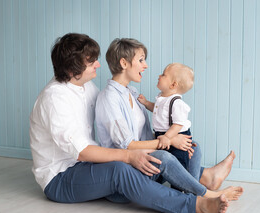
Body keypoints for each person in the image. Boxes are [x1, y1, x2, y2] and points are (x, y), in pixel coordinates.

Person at [30, 33, 230, 213]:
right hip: (61, 178)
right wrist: (129, 155)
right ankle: (197, 204)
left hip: (87, 165)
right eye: (91, 62)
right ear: (72, 69)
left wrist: (166, 139)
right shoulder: (54, 98)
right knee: (120, 170)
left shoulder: (87, 87)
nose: (98, 65)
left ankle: (203, 177)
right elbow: (82, 152)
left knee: (173, 153)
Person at [95, 38, 243, 200]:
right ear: (124, 63)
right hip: (131, 170)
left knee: (192, 146)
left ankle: (197, 185)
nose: (146, 65)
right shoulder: (109, 98)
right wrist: (170, 141)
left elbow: (147, 131)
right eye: (141, 60)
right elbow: (128, 145)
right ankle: (206, 193)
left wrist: (176, 141)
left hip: (147, 161)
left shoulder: (132, 92)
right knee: (165, 157)